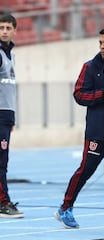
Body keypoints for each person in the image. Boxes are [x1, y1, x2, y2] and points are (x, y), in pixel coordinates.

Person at [54, 28, 104, 229]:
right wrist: (101, 95)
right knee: (85, 170)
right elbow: (79, 95)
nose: (102, 47)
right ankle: (65, 208)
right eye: (100, 43)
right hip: (98, 131)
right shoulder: (91, 67)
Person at [0, 14, 24, 218]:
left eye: (8, 27)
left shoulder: (10, 54)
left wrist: (11, 117)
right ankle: (2, 202)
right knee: (0, 161)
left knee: (3, 160)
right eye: (1, 27)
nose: (5, 31)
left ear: (15, 30)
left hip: (6, 115)